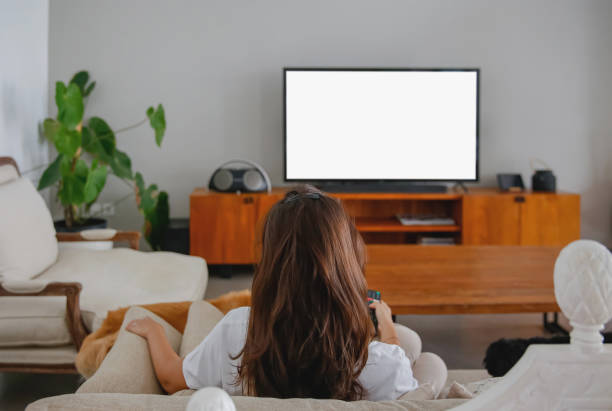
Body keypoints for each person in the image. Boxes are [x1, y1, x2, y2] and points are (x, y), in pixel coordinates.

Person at [127, 185, 447, 400]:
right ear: (346, 262)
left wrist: (154, 330)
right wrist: (385, 323)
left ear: (270, 265)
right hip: (376, 362)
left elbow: (171, 379)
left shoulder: (238, 330)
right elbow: (394, 357)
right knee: (422, 354)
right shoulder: (380, 363)